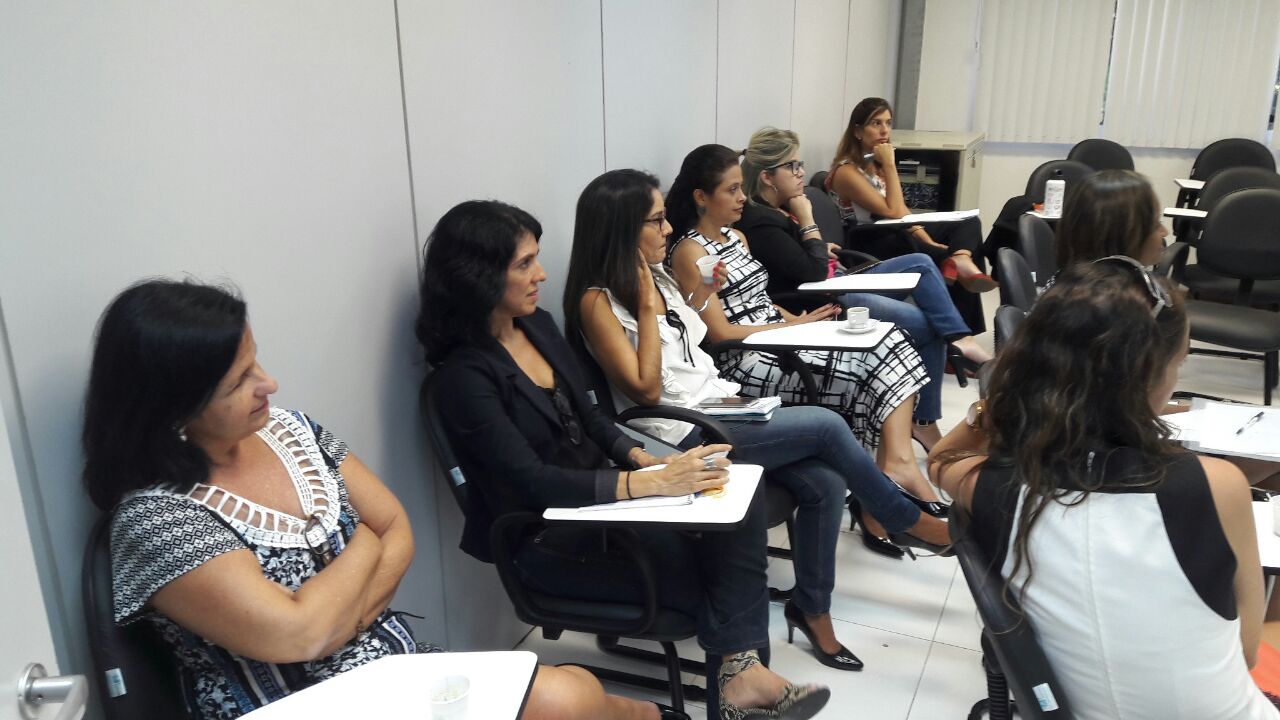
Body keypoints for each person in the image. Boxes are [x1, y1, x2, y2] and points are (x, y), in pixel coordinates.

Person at [85, 279, 683, 720]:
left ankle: (656, 716)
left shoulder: (292, 430)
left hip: (388, 668)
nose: (269, 384)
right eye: (240, 381)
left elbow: (398, 526)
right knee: (565, 699)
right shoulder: (158, 520)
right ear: (173, 408)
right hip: (297, 704)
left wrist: (336, 615)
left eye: (255, 361)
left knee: (571, 694)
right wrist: (364, 546)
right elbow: (298, 636)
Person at [419, 201, 831, 720]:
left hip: (606, 506)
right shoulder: (462, 378)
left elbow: (592, 417)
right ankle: (739, 680)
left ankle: (741, 679)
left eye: (536, 258)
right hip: (550, 539)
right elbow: (533, 483)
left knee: (737, 500)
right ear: (477, 276)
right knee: (719, 570)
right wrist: (652, 485)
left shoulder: (536, 326)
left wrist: (646, 461)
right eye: (525, 263)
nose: (541, 274)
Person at [564, 169, 950, 588]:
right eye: (656, 220)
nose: (668, 228)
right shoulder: (597, 302)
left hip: (716, 403)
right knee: (826, 425)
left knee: (825, 479)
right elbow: (648, 390)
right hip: (680, 433)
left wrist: (701, 295)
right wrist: (644, 309)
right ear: (621, 230)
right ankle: (907, 520)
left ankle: (811, 610)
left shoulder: (656, 276)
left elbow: (686, 342)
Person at [928, 260, 1279, 719]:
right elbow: (1247, 654)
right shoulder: (1218, 484)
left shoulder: (994, 487)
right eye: (1177, 365)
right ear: (1150, 376)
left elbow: (941, 460)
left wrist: (1000, 399)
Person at [662, 145, 949, 544]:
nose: (742, 197)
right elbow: (720, 333)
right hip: (747, 359)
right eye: (731, 190)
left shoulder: (736, 237)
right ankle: (886, 489)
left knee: (893, 343)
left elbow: (760, 301)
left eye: (740, 188)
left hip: (779, 336)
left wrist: (795, 320)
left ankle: (896, 468)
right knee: (865, 369)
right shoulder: (691, 251)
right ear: (701, 197)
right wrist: (788, 328)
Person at [735, 126, 993, 450]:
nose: (800, 173)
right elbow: (813, 273)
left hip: (837, 278)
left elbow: (801, 258)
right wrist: (808, 221)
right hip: (823, 298)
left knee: (921, 263)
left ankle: (960, 339)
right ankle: (925, 419)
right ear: (767, 177)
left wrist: (815, 243)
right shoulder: (762, 221)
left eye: (800, 165)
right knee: (928, 325)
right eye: (792, 166)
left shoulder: (780, 207)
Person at [827, 97, 994, 333]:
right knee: (944, 257)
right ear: (857, 131)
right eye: (876, 123)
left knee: (967, 224)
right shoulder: (846, 171)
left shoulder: (873, 163)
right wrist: (890, 165)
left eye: (888, 123)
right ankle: (959, 329)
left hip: (893, 229)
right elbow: (893, 211)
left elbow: (902, 211)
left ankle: (962, 260)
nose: (885, 130)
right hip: (869, 238)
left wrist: (927, 238)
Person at [1055, 169, 1168, 269]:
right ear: (1121, 236)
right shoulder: (1122, 287)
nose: (1165, 232)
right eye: (1156, 225)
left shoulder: (1069, 282)